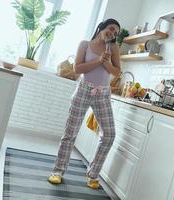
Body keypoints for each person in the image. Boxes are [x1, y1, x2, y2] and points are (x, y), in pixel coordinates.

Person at [48, 18, 121, 189]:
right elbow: (77, 69)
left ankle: (93, 174)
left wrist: (107, 63)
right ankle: (57, 171)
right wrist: (98, 61)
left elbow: (116, 72)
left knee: (109, 134)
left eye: (116, 33)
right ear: (102, 27)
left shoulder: (114, 48)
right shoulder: (85, 44)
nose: (113, 33)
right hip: (83, 90)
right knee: (70, 133)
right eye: (111, 29)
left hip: (102, 93)